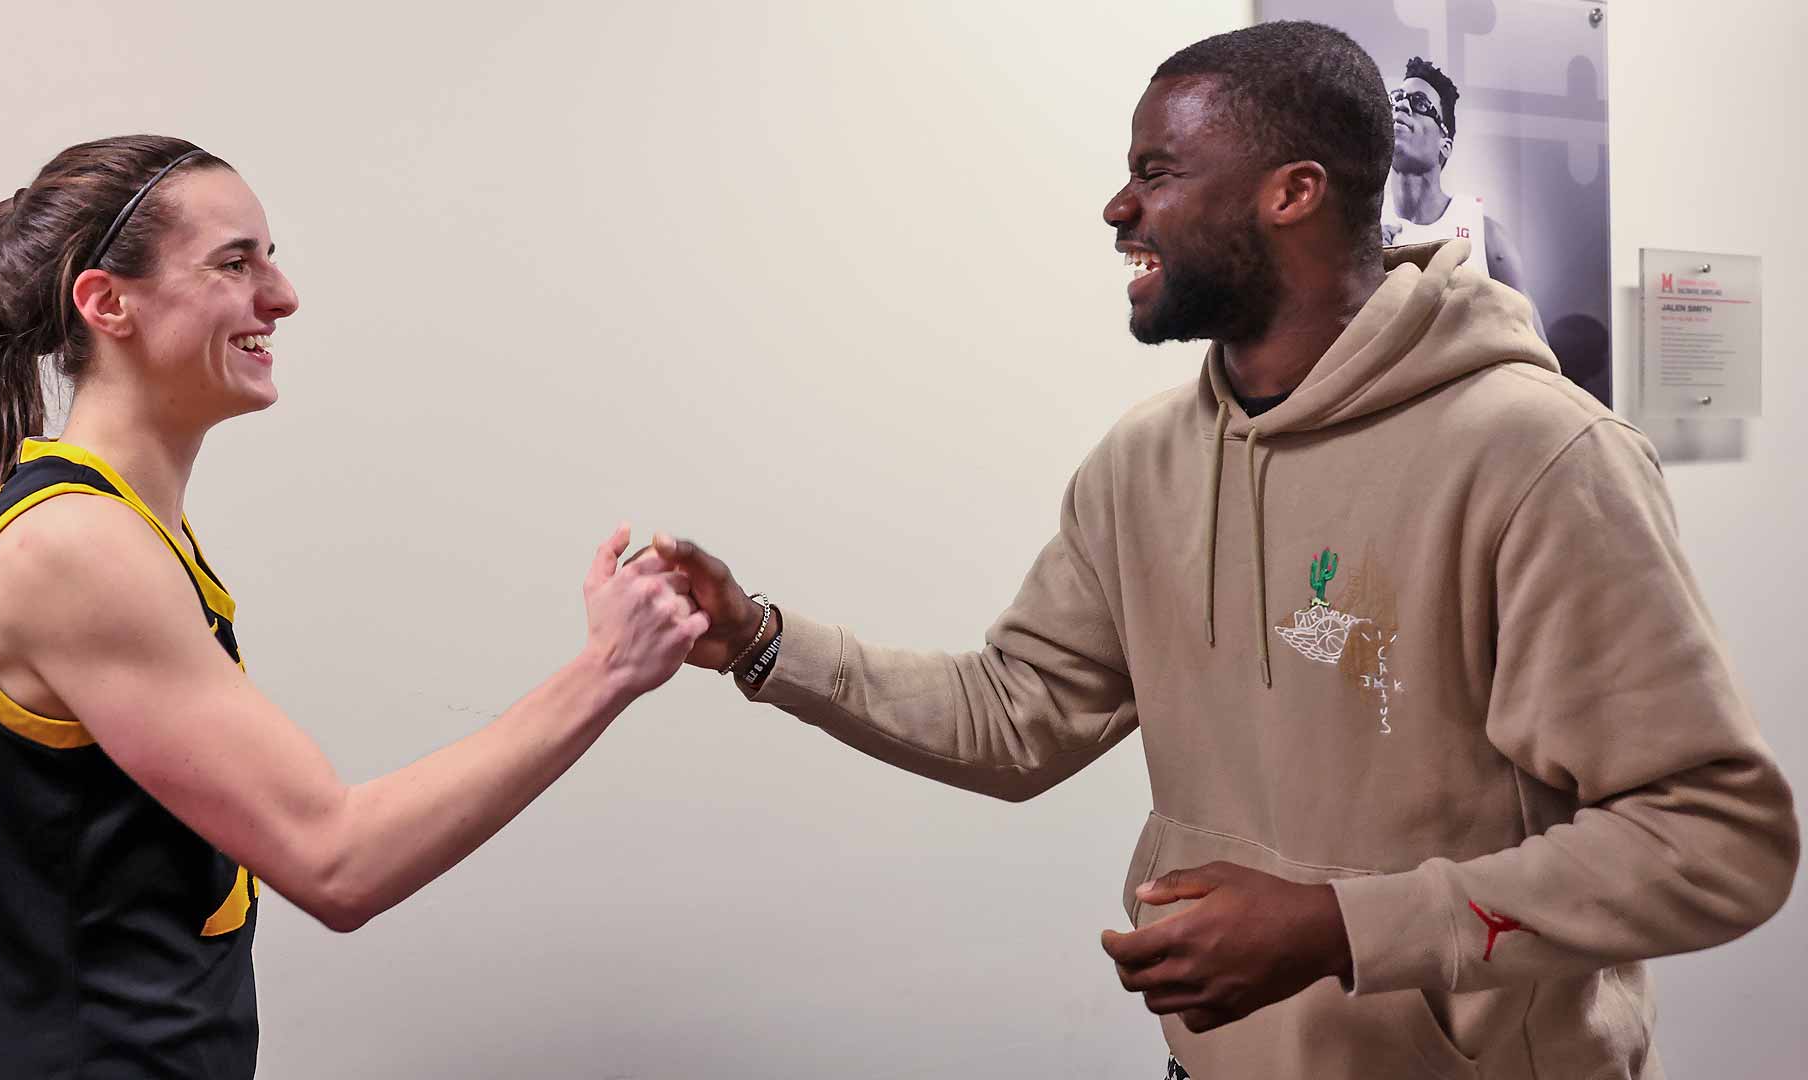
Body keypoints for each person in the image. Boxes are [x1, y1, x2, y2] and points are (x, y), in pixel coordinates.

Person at [648, 22, 1798, 1079]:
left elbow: (1714, 839)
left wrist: (1344, 929)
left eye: (1157, 172)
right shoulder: (1142, 462)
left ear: (1292, 192)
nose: (1117, 208)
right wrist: (760, 641)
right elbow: (1016, 715)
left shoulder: (1540, 459)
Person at [0, 136, 707, 1078]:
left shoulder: (116, 530)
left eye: (272, 258)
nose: (280, 298)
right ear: (106, 302)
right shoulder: (76, 550)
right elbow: (338, 862)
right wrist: (607, 670)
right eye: (234, 262)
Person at [1382, 55, 1549, 344]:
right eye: (1396, 98)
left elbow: (1537, 351)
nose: (1402, 107)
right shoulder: (1364, 231)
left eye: (1420, 103)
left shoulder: (1486, 237)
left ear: (1444, 146)